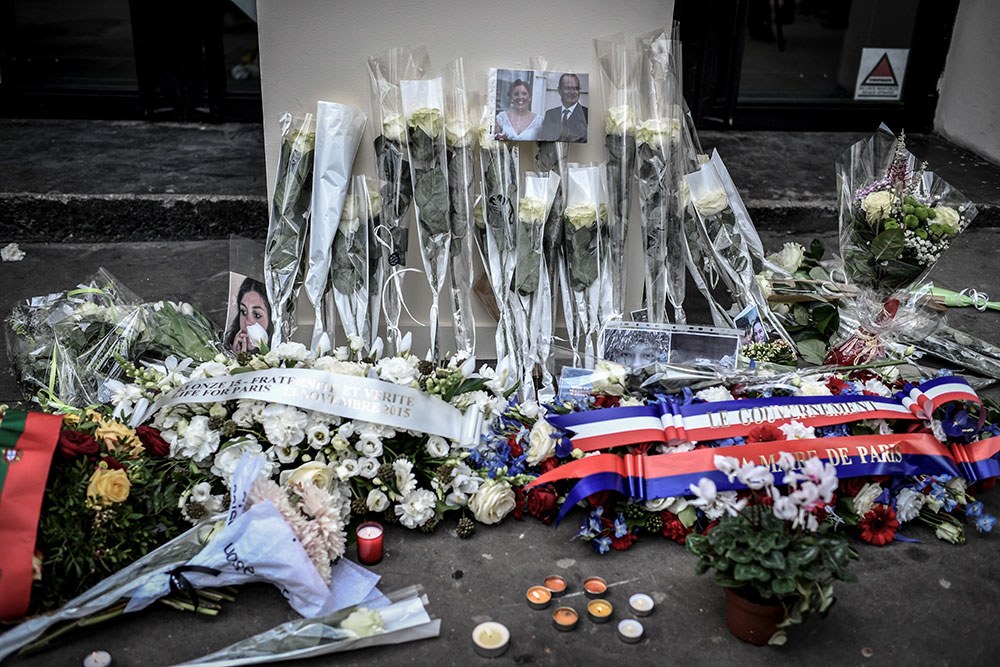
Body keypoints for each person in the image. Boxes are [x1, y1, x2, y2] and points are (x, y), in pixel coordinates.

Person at [225, 277, 274, 354]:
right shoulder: (225, 349)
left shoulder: (286, 355)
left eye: (257, 315)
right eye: (243, 312)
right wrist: (234, 356)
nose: (247, 322)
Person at [538, 73, 588, 142]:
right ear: (559, 90)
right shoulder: (550, 114)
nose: (572, 92)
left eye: (576, 88)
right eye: (568, 88)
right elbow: (544, 140)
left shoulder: (586, 114)